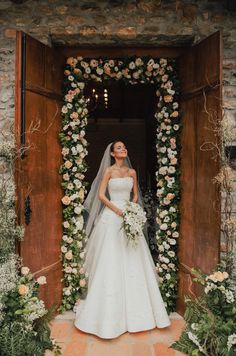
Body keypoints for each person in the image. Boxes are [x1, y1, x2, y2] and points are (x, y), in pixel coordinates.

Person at [74, 141, 171, 339]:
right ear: (112, 153)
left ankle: (139, 312)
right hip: (111, 216)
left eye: (124, 147)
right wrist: (117, 209)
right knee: (110, 258)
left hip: (128, 216)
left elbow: (135, 195)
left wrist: (131, 210)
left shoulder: (132, 172)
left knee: (133, 256)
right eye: (119, 148)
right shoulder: (108, 171)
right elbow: (101, 195)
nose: (123, 150)